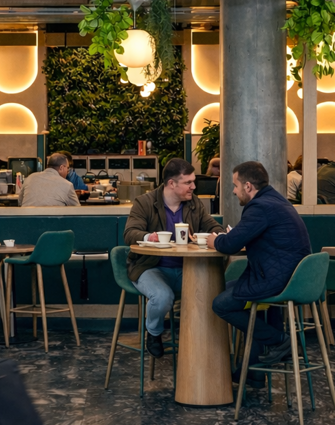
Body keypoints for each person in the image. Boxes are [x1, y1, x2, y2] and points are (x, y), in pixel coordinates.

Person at [207, 161, 312, 379]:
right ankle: (252, 374)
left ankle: (279, 340)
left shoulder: (259, 207)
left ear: (247, 186)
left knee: (220, 304)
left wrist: (213, 241)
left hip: (276, 280)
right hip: (291, 277)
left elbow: (229, 245)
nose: (234, 191)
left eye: (235, 186)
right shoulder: (275, 200)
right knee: (231, 293)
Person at [123, 158, 224, 358]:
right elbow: (129, 233)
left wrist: (218, 235)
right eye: (188, 182)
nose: (194, 186)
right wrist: (148, 237)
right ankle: (154, 333)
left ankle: (201, 349)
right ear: (171, 183)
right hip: (151, 267)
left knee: (213, 295)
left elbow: (212, 226)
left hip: (188, 268)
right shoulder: (145, 202)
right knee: (162, 297)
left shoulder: (193, 203)